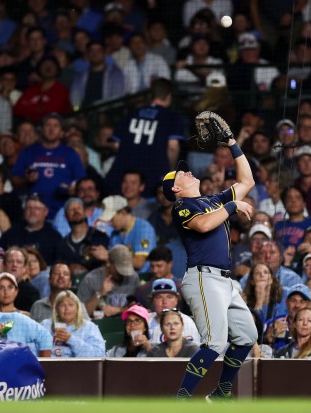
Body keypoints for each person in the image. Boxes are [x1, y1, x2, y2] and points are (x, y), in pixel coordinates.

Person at [162, 115, 258, 400]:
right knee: (214, 343)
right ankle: (181, 400)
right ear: (176, 188)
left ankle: (221, 391)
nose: (188, 172)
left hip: (225, 281)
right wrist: (231, 205)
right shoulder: (181, 206)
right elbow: (203, 225)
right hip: (202, 277)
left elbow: (247, 180)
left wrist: (231, 142)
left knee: (246, 337)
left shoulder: (212, 200)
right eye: (181, 174)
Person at [104, 78, 184, 197]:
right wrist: (171, 169)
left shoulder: (132, 113)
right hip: (154, 172)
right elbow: (173, 146)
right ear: (168, 96)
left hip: (123, 171)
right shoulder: (172, 117)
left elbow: (115, 144)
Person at [11, 113, 85, 220]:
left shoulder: (71, 154)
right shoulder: (27, 152)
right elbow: (14, 180)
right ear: (41, 130)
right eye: (48, 125)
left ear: (61, 133)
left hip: (63, 214)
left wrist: (73, 189)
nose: (51, 129)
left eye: (56, 126)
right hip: (34, 213)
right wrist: (26, 180)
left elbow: (82, 182)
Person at [77, 245, 139, 318]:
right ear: (109, 263)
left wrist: (119, 310)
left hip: (126, 325)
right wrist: (100, 293)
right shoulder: (90, 279)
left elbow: (138, 308)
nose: (123, 273)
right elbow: (80, 315)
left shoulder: (133, 277)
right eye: (120, 269)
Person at [41, 290, 105, 358]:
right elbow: (33, 349)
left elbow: (99, 354)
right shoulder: (45, 325)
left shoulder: (89, 327)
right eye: (62, 305)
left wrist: (71, 339)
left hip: (79, 367)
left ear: (77, 308)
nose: (67, 309)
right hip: (50, 366)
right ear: (56, 309)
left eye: (71, 305)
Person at [147, 278, 200, 344]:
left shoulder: (187, 323)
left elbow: (193, 352)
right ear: (152, 301)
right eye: (159, 297)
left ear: (176, 300)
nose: (164, 302)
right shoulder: (144, 320)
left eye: (169, 297)